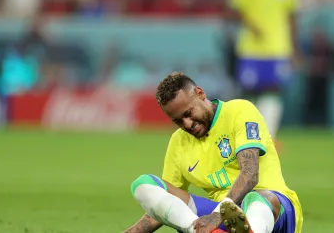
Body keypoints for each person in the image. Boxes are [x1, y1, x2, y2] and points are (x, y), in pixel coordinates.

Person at [124, 72, 303, 233]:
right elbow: (167, 206)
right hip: (218, 220)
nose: (187, 124)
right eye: (178, 121)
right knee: (143, 184)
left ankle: (250, 230)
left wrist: (217, 215)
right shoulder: (178, 143)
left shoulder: (239, 111)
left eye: (188, 113)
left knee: (256, 199)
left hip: (274, 210)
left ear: (200, 93)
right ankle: (201, 231)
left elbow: (250, 174)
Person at [227, 0, 300, 138]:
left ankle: (268, 137)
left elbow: (292, 18)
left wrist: (294, 48)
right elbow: (234, 9)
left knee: (274, 90)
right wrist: (251, 24)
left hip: (278, 49)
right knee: (248, 92)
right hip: (250, 49)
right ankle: (246, 135)